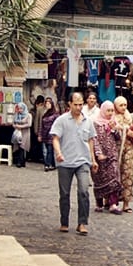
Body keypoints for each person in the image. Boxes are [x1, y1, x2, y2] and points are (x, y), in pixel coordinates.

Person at [50, 92, 98, 235]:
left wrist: (93, 159)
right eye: (75, 104)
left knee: (84, 191)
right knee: (64, 193)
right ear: (69, 104)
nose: (78, 107)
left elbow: (90, 141)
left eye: (80, 104)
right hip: (65, 162)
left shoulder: (87, 121)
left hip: (83, 161)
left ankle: (82, 222)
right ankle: (64, 221)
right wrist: (58, 153)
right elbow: (55, 138)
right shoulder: (62, 120)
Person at [92, 100, 123, 214]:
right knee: (100, 179)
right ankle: (99, 203)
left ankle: (113, 204)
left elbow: (118, 138)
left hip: (112, 155)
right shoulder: (95, 123)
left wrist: (114, 129)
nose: (110, 113)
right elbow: (93, 139)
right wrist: (98, 153)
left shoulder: (113, 122)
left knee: (114, 177)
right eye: (108, 110)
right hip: (99, 157)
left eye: (111, 111)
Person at [113, 96, 133, 213]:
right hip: (116, 150)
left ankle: (126, 203)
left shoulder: (129, 117)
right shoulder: (112, 117)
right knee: (114, 175)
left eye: (125, 105)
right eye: (121, 105)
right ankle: (112, 201)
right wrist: (123, 130)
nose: (123, 107)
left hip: (129, 149)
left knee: (128, 175)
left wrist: (132, 134)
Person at [10, 101, 33, 168]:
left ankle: (20, 162)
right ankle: (20, 161)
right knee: (18, 146)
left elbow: (29, 124)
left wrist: (21, 126)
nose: (20, 110)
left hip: (25, 133)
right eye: (19, 108)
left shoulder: (28, 115)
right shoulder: (16, 115)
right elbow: (13, 123)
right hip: (18, 132)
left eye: (21, 109)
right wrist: (15, 126)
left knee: (23, 146)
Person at [39, 97, 59, 170]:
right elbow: (41, 125)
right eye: (46, 103)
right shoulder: (45, 114)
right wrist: (40, 134)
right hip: (44, 134)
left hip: (51, 135)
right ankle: (53, 164)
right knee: (47, 150)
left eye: (49, 103)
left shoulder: (55, 114)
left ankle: (47, 164)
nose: (47, 105)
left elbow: (57, 125)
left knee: (50, 150)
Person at [31, 94, 47, 163]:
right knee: (36, 145)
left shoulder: (46, 109)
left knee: (40, 145)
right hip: (38, 130)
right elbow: (37, 120)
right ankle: (35, 157)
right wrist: (36, 130)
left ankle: (40, 157)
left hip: (42, 130)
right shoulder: (38, 110)